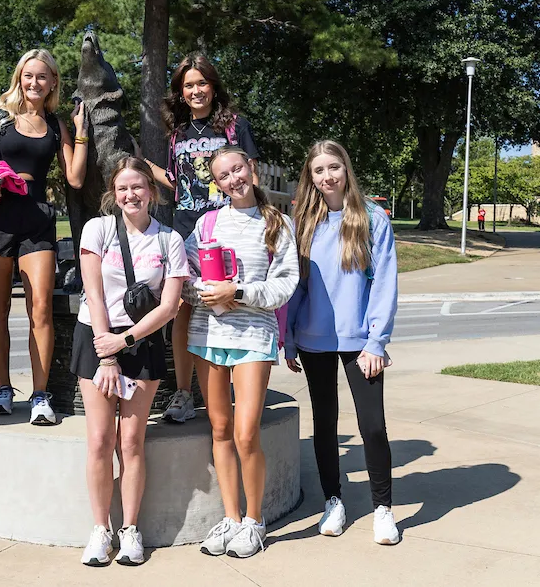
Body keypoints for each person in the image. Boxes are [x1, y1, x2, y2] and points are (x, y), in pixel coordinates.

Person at [0, 49, 87, 426]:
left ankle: (40, 395)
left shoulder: (55, 124)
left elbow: (75, 178)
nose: (35, 83)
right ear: (20, 77)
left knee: (41, 311)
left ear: (53, 83)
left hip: (36, 219)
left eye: (43, 77)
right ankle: (2, 388)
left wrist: (80, 133)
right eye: (29, 75)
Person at [72, 157, 188, 566]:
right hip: (98, 337)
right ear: (113, 194)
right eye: (122, 188)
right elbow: (94, 291)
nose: (130, 194)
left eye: (138, 187)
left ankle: (131, 530)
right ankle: (101, 529)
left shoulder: (168, 240)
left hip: (141, 342)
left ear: (151, 192)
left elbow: (170, 306)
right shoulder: (98, 229)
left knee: (132, 441)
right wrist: (107, 354)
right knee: (101, 440)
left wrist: (125, 341)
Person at [284, 140, 400, 545]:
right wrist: (289, 337)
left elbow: (385, 283)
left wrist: (377, 342)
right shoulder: (304, 221)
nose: (327, 176)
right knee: (325, 425)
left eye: (334, 167)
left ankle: (383, 509)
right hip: (313, 340)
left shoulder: (372, 218)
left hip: (361, 342)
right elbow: (296, 285)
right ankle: (334, 501)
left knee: (372, 427)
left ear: (345, 169)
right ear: (310, 176)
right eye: (319, 170)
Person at [185, 146, 298, 558]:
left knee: (246, 433)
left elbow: (285, 284)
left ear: (251, 168)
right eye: (224, 175)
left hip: (253, 336)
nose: (234, 179)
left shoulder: (277, 223)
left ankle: (255, 521)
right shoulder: (206, 223)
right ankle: (231, 518)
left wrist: (240, 292)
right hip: (208, 333)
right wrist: (207, 293)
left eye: (238, 169)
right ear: (217, 183)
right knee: (219, 430)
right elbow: (185, 277)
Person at [141, 54, 261, 424]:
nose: (196, 91)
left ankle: (232, 387)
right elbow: (179, 182)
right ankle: (183, 392)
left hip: (226, 228)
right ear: (180, 91)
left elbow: (250, 176)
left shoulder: (234, 126)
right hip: (184, 229)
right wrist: (145, 167)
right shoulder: (177, 132)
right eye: (188, 85)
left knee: (227, 303)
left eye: (202, 83)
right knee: (181, 309)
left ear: (213, 86)